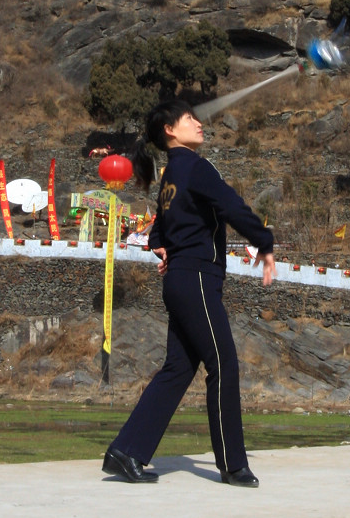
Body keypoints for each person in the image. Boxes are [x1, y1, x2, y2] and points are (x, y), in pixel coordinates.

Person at [103, 99, 276, 487]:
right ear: (169, 130)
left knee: (179, 368)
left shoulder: (171, 177)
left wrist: (162, 247)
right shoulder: (195, 168)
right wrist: (263, 240)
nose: (199, 124)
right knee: (223, 363)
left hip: (181, 280)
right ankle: (232, 465)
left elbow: (159, 229)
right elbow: (230, 204)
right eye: (189, 119)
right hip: (196, 278)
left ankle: (126, 451)